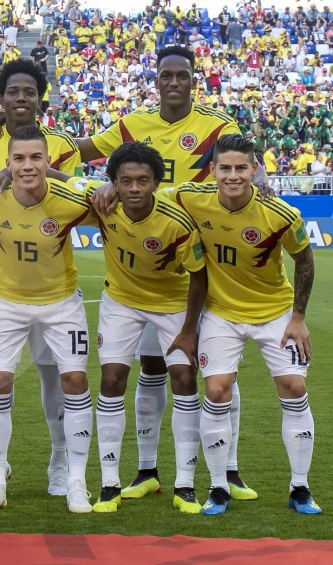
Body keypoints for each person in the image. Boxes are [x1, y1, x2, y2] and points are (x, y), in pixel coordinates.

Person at [78, 45, 255, 501]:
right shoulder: (133, 124)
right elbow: (80, 150)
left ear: (194, 79)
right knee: (152, 367)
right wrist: (18, 133)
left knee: (214, 368)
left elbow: (241, 165)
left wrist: (264, 178)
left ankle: (228, 469)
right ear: (155, 80)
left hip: (203, 254)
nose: (174, 82)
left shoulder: (219, 126)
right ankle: (146, 471)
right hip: (143, 259)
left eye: (182, 75)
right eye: (166, 76)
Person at [0, 59, 82, 499]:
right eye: (13, 92)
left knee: (56, 378)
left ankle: (60, 460)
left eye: (29, 91)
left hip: (51, 286)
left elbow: (77, 192)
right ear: (0, 97)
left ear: (40, 97)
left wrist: (25, 171)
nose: (21, 98)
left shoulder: (61, 143)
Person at [171, 134, 320, 516]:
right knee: (218, 391)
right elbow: (148, 191)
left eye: (241, 168)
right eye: (225, 168)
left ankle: (300, 488)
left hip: (275, 312)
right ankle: (219, 487)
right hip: (221, 312)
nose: (233, 176)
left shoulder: (281, 213)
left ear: (254, 170)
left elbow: (304, 262)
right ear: (213, 171)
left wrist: (298, 317)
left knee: (294, 386)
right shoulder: (191, 197)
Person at [0, 126, 94, 514]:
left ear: (48, 162)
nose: (28, 165)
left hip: (61, 304)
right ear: (6, 163)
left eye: (36, 158)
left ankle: (76, 479)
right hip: (6, 303)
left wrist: (62, 177)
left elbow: (111, 194)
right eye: (18, 159)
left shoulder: (71, 201)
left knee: (74, 380)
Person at [85, 142, 206, 514]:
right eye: (125, 181)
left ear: (156, 182)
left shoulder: (177, 222)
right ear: (114, 183)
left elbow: (200, 277)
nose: (134, 188)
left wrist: (188, 330)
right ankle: (109, 484)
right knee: (111, 380)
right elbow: (56, 180)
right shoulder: (103, 204)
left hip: (173, 303)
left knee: (184, 378)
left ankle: (185, 485)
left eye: (143, 180)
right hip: (121, 301)